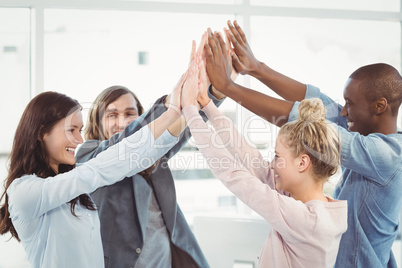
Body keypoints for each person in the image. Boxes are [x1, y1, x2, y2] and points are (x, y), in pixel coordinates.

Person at [206, 21, 402, 268]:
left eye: (350, 104)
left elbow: (308, 124)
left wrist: (228, 88)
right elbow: (315, 102)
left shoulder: (388, 156)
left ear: (379, 106)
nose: (344, 111)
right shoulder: (364, 134)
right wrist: (256, 68)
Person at [75, 35, 231, 268]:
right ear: (98, 122)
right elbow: (127, 143)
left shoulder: (154, 154)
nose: (123, 121)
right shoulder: (88, 155)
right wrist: (171, 101)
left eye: (130, 114)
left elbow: (186, 125)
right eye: (112, 115)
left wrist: (219, 89)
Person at [180, 53, 347, 267]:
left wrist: (190, 111)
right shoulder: (308, 205)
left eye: (277, 157)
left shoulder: (305, 220)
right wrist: (207, 106)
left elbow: (235, 176)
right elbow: (250, 158)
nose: (271, 164)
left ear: (302, 163)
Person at [0, 77, 186, 268]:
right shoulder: (23, 191)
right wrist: (170, 112)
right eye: (71, 130)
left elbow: (137, 157)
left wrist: (185, 112)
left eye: (80, 130)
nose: (79, 139)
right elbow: (105, 165)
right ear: (41, 133)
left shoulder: (76, 191)